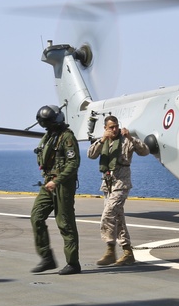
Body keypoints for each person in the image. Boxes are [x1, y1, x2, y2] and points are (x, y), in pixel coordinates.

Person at [87, 115, 150, 267]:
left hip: (122, 184)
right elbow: (91, 154)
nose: (114, 130)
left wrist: (131, 137)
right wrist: (102, 139)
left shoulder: (126, 140)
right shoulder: (103, 141)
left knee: (108, 214)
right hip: (108, 185)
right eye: (111, 127)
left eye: (116, 126)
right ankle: (128, 253)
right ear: (105, 128)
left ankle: (110, 250)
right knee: (118, 219)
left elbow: (145, 151)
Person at [30, 104, 81, 275]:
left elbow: (73, 163)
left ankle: (73, 263)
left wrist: (57, 181)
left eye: (48, 123)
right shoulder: (49, 137)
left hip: (62, 185)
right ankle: (47, 258)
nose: (47, 126)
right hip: (48, 183)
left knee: (65, 223)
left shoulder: (67, 138)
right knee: (36, 216)